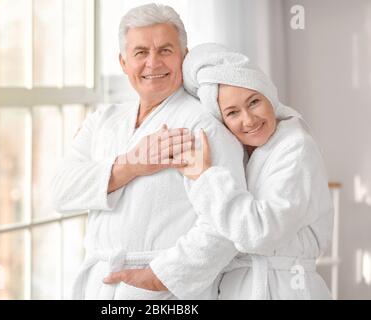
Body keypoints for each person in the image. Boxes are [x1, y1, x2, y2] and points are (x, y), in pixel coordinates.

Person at [106, 43, 334, 299]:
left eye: (254, 102)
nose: (248, 120)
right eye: (232, 112)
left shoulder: (295, 146)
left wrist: (205, 178)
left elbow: (260, 233)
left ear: (269, 95)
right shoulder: (247, 151)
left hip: (286, 288)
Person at [51, 6, 245, 299]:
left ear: (184, 56)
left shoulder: (204, 126)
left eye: (165, 50)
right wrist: (130, 165)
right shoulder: (104, 121)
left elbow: (226, 223)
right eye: (140, 52)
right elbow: (60, 192)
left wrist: (162, 276)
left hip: (164, 292)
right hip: (99, 285)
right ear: (123, 62)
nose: (153, 63)